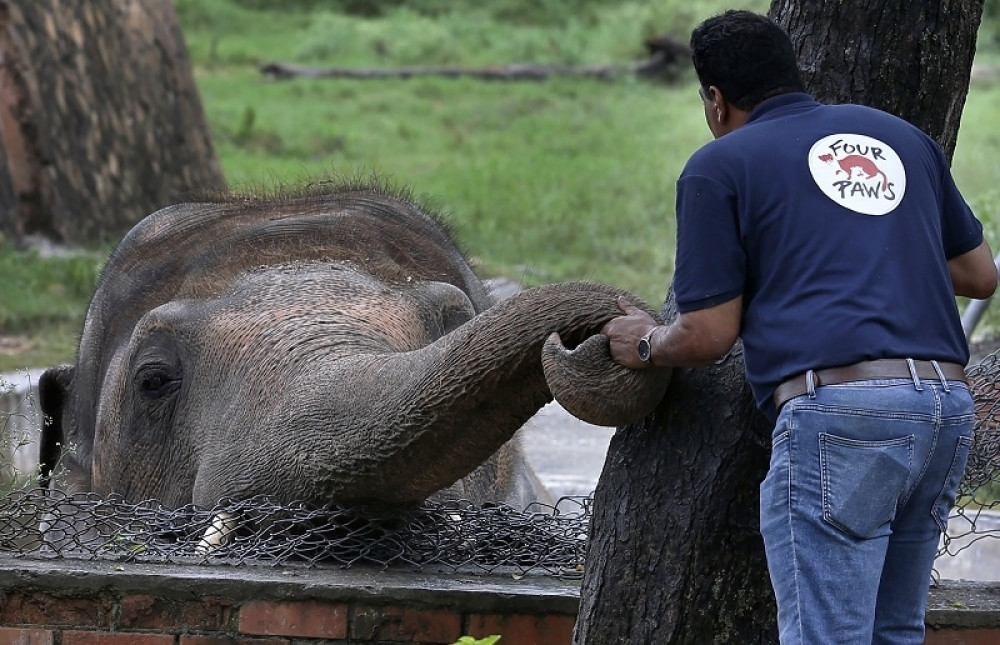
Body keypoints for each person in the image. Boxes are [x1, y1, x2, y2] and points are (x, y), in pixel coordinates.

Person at [601, 9, 998, 645]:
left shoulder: (720, 165)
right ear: (794, 73)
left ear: (715, 98)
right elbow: (979, 274)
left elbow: (706, 335)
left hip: (843, 416)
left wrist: (645, 342)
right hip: (944, 409)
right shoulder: (899, 138)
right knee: (895, 631)